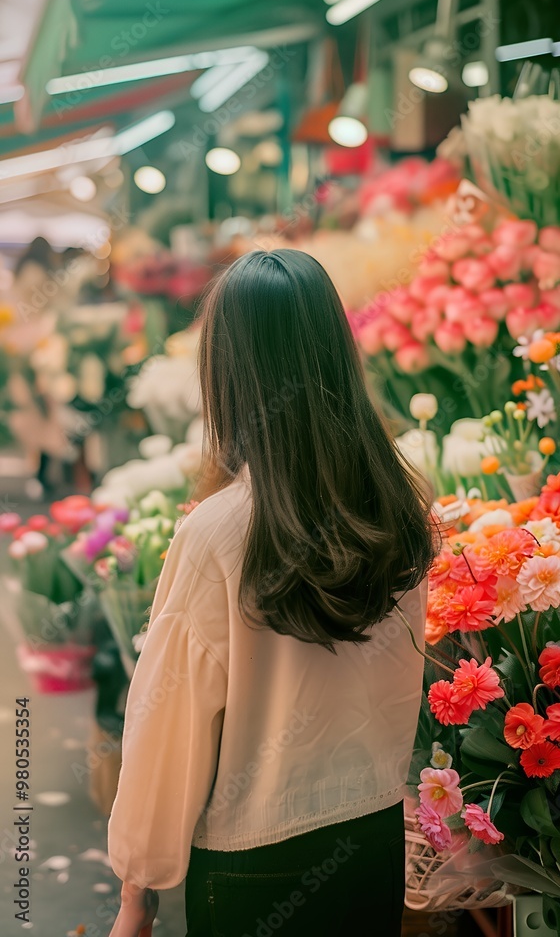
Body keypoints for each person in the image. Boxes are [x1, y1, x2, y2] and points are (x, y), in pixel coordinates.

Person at [107, 249, 435, 937]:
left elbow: (169, 727)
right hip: (372, 837)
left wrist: (138, 891)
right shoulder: (400, 511)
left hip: (253, 860)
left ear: (228, 372)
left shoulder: (220, 533)